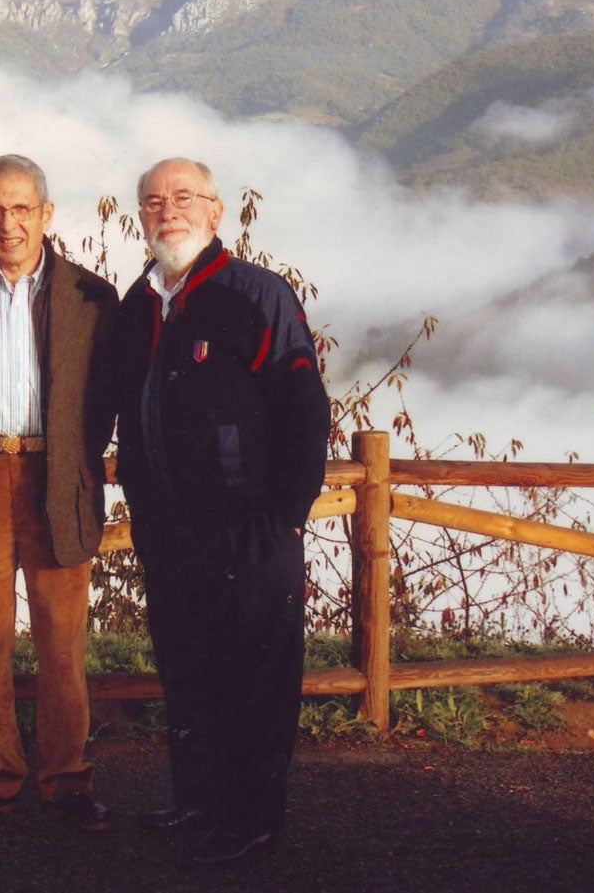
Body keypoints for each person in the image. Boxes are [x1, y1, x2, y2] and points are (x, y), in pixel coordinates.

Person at [112, 157, 331, 865]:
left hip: (251, 530)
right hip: (170, 532)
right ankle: (197, 802)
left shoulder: (254, 294)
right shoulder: (137, 303)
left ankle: (252, 817)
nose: (166, 211)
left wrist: (285, 516)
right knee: (187, 667)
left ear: (215, 210)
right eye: (152, 202)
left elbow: (302, 406)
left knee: (254, 678)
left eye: (182, 198)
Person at [0, 154, 118, 831]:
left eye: (20, 208)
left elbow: (103, 401)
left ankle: (66, 782)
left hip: (55, 480)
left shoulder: (91, 296)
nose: (7, 223)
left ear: (46, 214)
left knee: (61, 644)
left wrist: (73, 461)